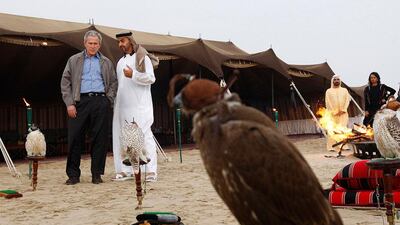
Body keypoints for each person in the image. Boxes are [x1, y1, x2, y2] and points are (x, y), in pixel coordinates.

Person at [60, 30, 118, 185]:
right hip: (80, 102)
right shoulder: (74, 60)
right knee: (75, 138)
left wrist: (108, 99)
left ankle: (96, 174)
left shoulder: (106, 62)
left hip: (101, 101)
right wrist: (69, 103)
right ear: (84, 43)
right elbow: (65, 82)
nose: (93, 46)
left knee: (100, 139)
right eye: (90, 43)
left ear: (99, 45)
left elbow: (113, 82)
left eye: (96, 43)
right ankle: (73, 175)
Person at [112, 31, 158, 181]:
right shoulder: (119, 63)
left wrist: (134, 75)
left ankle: (151, 171)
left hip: (140, 106)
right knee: (126, 137)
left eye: (123, 41)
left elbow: (151, 78)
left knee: (144, 136)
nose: (120, 44)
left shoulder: (142, 58)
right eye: (119, 42)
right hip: (123, 106)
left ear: (130, 41)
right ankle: (128, 170)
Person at [324, 75, 351, 152]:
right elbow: (327, 102)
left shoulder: (344, 90)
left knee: (343, 129)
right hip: (333, 114)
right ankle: (331, 146)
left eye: (338, 79)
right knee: (331, 129)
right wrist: (334, 111)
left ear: (340, 81)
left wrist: (343, 109)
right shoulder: (328, 91)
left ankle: (343, 146)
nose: (336, 81)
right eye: (335, 79)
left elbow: (347, 100)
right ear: (332, 81)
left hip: (343, 113)